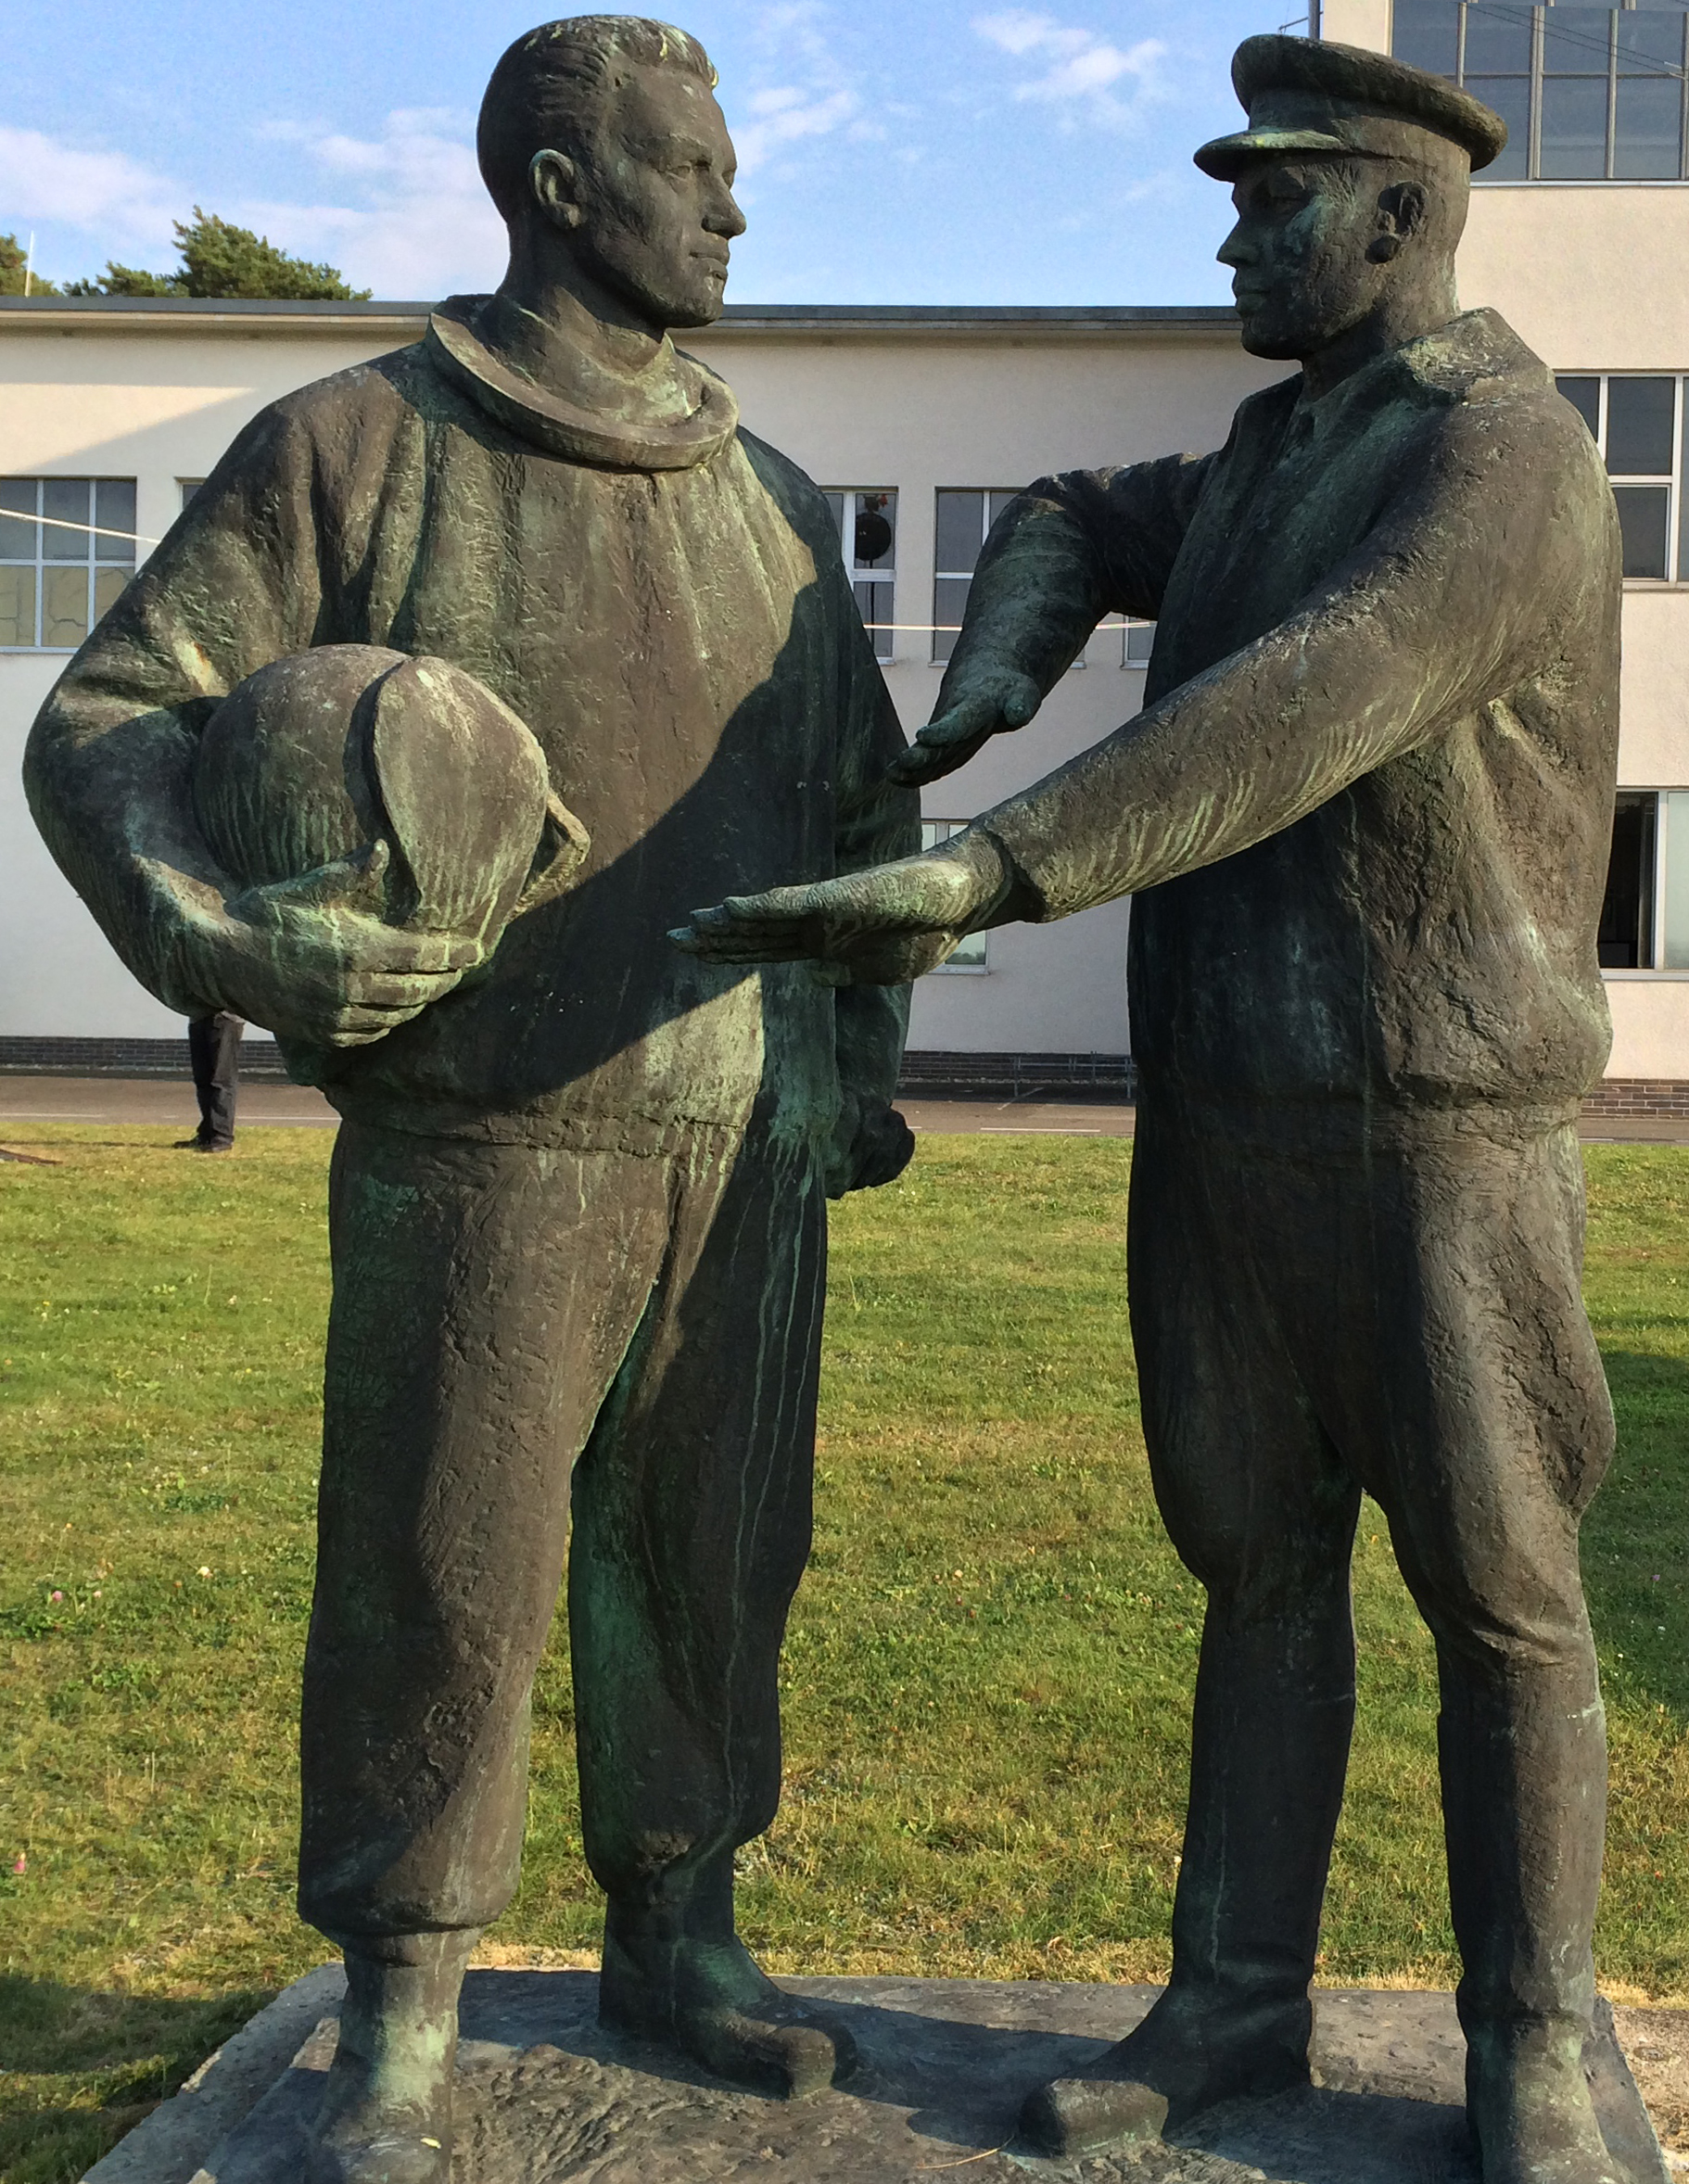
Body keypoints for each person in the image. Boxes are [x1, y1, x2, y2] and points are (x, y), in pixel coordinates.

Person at [677, 36, 1629, 2184]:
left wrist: (984, 863)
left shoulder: (1499, 455)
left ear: (1392, 217)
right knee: (1253, 1567)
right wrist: (996, 667)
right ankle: (1230, 1993)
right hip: (1221, 1120)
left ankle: (1533, 2037)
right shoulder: (1275, 447)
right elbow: (1067, 516)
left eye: (1266, 198)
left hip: (1434, 1124)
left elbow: (1313, 700)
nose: (1226, 235)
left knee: (1500, 1586)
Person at [24, 17, 915, 2181]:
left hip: (737, 1145)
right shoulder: (360, 444)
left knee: (709, 1563)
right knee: (445, 1565)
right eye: (690, 165)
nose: (732, 205)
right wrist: (218, 933)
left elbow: (859, 799)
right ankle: (402, 1992)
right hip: (480, 1140)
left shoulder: (772, 505)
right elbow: (114, 711)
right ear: (558, 184)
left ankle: (679, 1922)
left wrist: (854, 1066)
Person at [178, 1009, 243, 1152]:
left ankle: (222, 1136)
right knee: (202, 1079)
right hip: (199, 1017)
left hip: (226, 1018)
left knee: (222, 1079)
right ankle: (206, 1134)